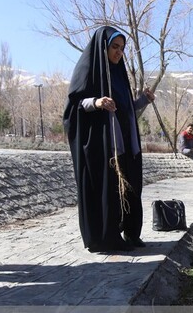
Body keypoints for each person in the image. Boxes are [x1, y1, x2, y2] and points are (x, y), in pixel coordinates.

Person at [63, 26, 155, 253]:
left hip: (125, 145)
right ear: (103, 47)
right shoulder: (88, 71)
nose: (119, 52)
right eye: (115, 47)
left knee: (131, 188)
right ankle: (107, 238)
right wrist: (96, 102)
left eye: (122, 49)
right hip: (102, 146)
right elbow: (74, 106)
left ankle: (131, 233)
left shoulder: (120, 75)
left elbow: (125, 110)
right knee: (110, 191)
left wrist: (143, 100)